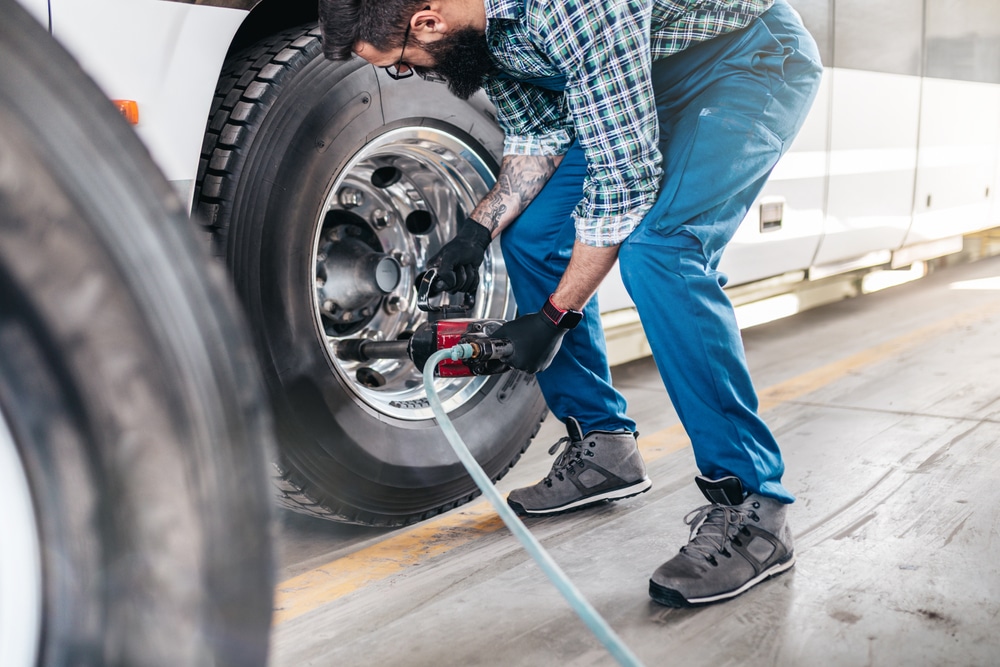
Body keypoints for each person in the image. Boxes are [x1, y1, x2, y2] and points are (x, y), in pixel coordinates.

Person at [320, 0, 822, 607]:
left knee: (662, 254)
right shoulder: (479, 34)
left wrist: (552, 319)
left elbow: (623, 185)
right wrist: (476, 234)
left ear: (427, 22)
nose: (414, 76)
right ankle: (605, 444)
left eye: (401, 65)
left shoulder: (571, 8)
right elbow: (540, 136)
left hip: (747, 60)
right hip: (649, 75)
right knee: (531, 236)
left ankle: (753, 505)